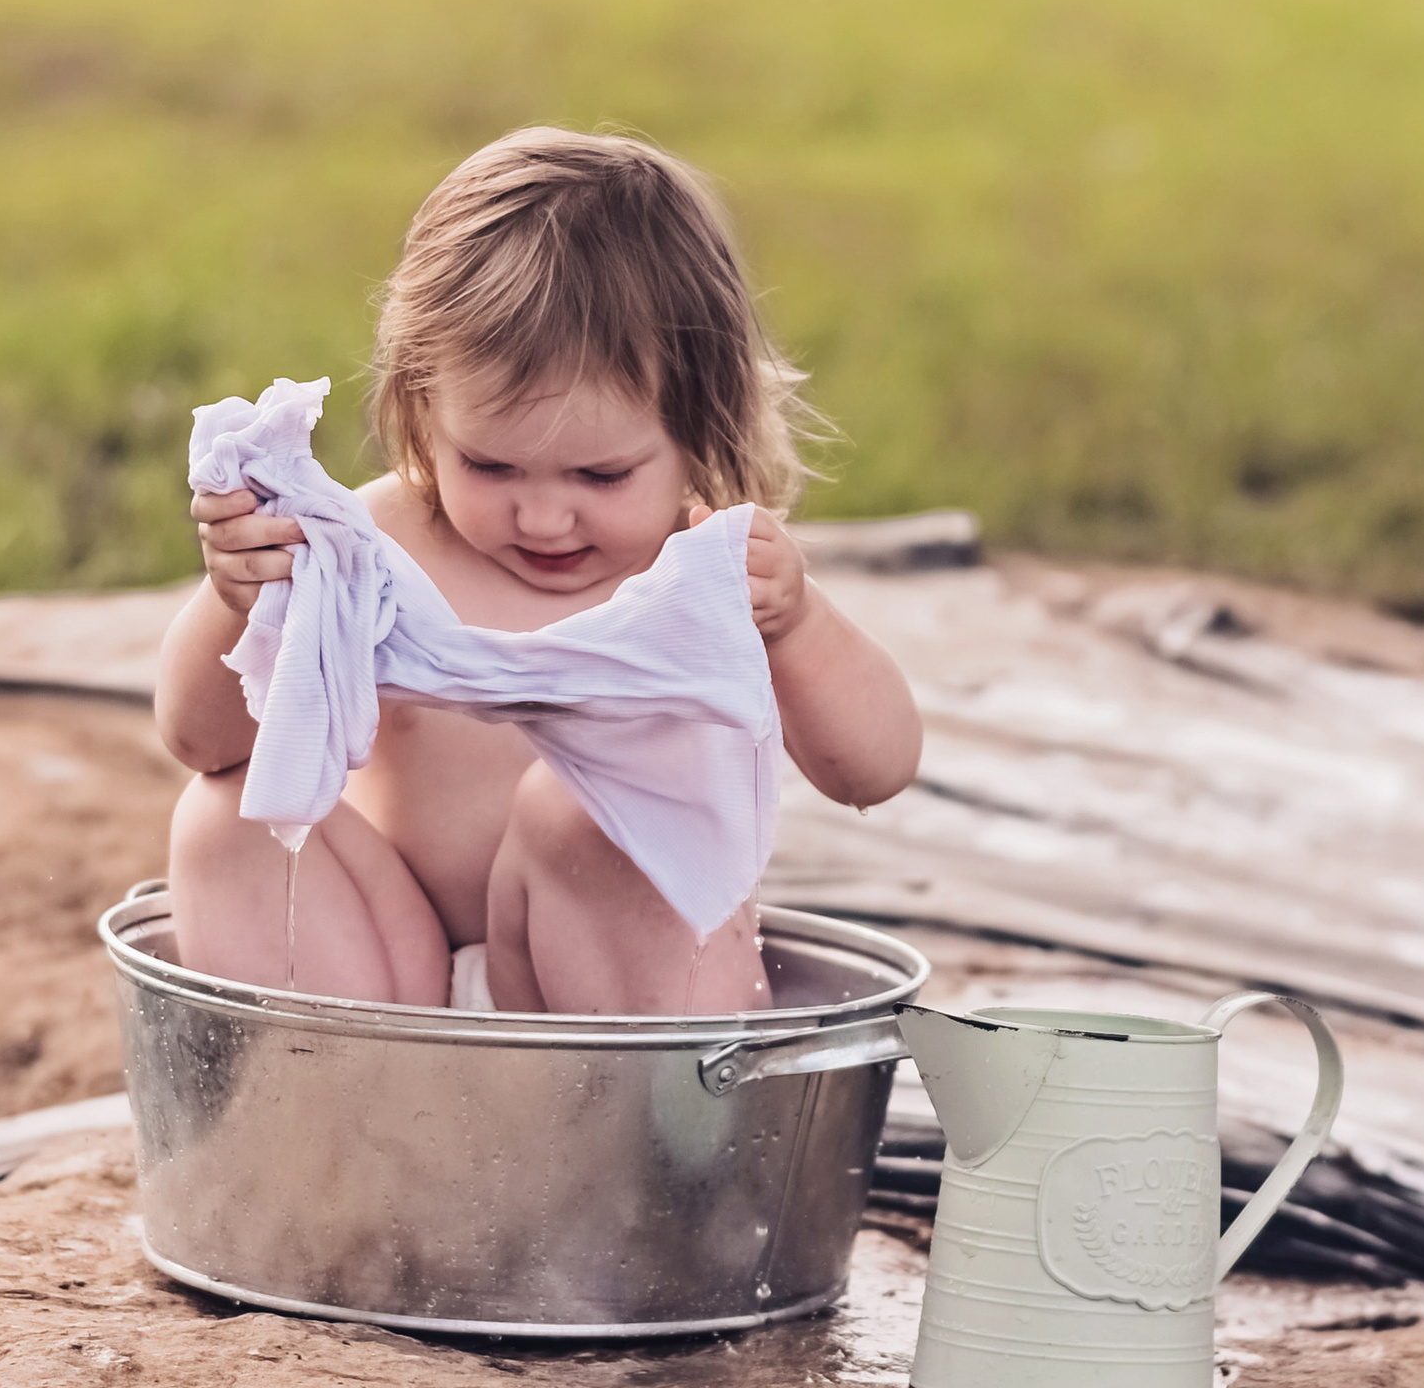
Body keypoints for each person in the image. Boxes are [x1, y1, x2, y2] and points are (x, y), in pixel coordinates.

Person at [155, 127, 923, 1016]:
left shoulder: (708, 574)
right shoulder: (374, 544)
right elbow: (202, 745)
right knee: (223, 820)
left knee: (583, 810)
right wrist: (237, 595)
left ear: (699, 432)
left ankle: (650, 1139)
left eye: (602, 476)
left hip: (610, 999)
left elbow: (875, 772)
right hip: (390, 991)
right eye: (490, 467)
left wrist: (798, 627)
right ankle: (343, 1126)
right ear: (422, 407)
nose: (545, 516)